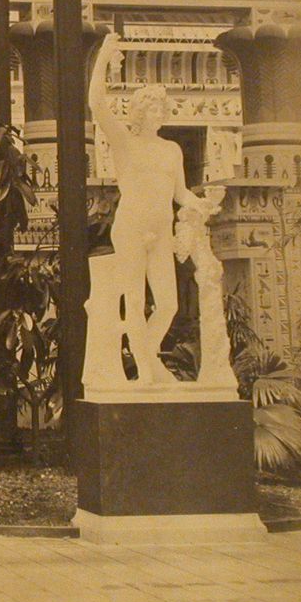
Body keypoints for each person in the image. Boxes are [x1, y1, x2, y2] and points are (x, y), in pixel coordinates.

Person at [89, 33, 206, 385]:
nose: (158, 112)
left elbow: (180, 193)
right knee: (135, 300)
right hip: (131, 227)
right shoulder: (126, 142)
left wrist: (199, 203)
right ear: (139, 111)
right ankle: (143, 373)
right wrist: (104, 57)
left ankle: (148, 358)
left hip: (161, 228)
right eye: (151, 107)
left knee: (168, 304)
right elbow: (96, 104)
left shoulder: (172, 150)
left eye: (161, 107)